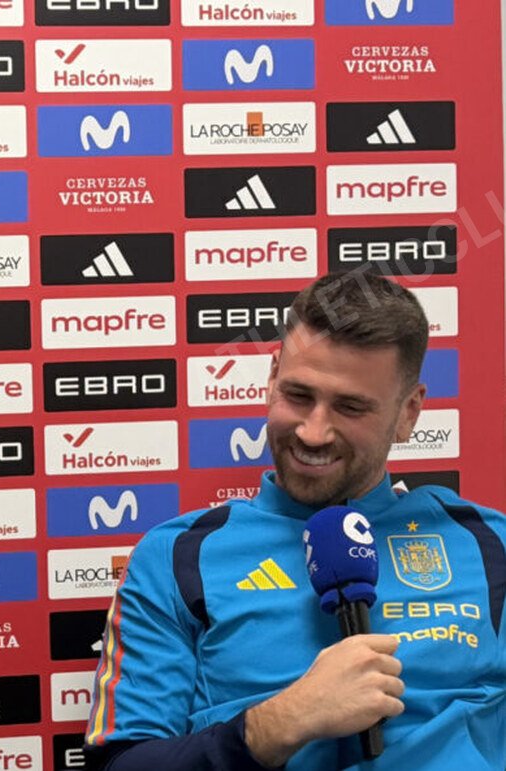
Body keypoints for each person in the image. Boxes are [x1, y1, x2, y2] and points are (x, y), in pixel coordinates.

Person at [84, 271, 506, 769]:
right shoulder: (176, 557)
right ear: (271, 379)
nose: (313, 432)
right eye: (299, 396)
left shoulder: (489, 544)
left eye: (350, 407)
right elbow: (121, 764)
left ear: (408, 412)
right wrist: (281, 722)